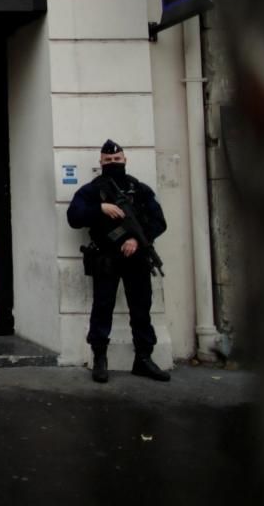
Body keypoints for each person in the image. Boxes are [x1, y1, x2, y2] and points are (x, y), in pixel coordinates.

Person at [66, 139, 170, 383]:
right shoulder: (92, 191)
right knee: (103, 308)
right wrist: (100, 208)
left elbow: (158, 221)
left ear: (125, 160)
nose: (113, 163)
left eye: (117, 160)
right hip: (106, 257)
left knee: (141, 308)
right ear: (101, 162)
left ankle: (143, 359)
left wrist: (136, 239)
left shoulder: (139, 189)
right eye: (108, 160)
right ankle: (100, 359)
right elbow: (73, 216)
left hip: (136, 257)